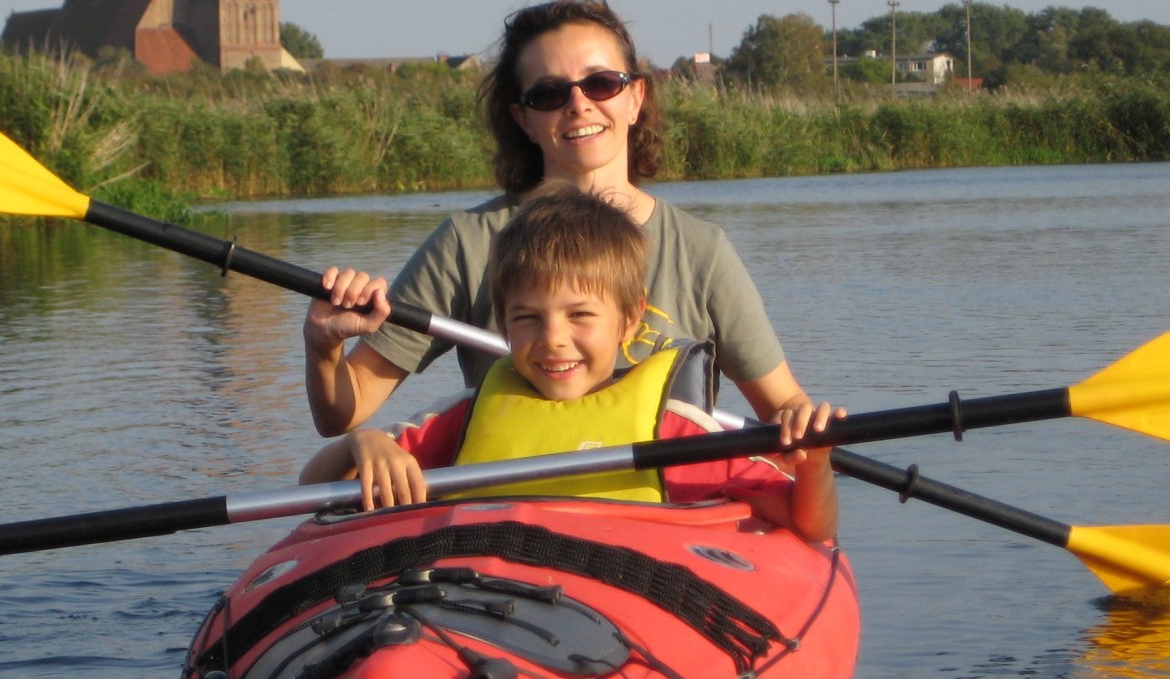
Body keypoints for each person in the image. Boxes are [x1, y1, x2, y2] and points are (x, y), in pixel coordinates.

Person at [304, 0, 824, 448]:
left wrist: (805, 422)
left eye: (601, 83)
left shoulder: (702, 251)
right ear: (523, 118)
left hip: (664, 524)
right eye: (550, 94)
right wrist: (325, 348)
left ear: (635, 98)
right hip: (512, 520)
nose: (579, 105)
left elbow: (781, 409)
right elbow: (343, 414)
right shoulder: (468, 244)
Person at [301, 189, 842, 542]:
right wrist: (362, 443)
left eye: (580, 315)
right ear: (503, 324)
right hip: (476, 606)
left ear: (631, 321)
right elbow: (312, 488)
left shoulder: (673, 430)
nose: (554, 340)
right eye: (527, 318)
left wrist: (815, 465)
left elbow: (806, 526)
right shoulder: (463, 419)